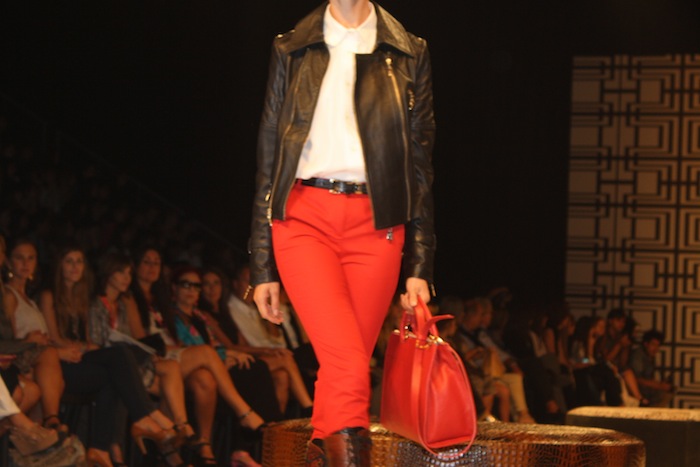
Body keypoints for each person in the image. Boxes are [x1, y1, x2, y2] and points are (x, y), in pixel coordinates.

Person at [250, 1, 436, 465]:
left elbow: (419, 165)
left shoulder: (408, 51)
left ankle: (322, 451)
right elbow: (270, 156)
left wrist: (420, 262)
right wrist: (262, 263)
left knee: (341, 372)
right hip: (304, 218)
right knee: (349, 363)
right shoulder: (292, 47)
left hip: (379, 226)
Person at [629, 330, 674, 407]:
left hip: (646, 389)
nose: (656, 348)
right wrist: (658, 385)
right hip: (636, 389)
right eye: (653, 344)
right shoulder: (638, 355)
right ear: (646, 344)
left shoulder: (649, 357)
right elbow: (637, 378)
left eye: (658, 345)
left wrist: (660, 384)